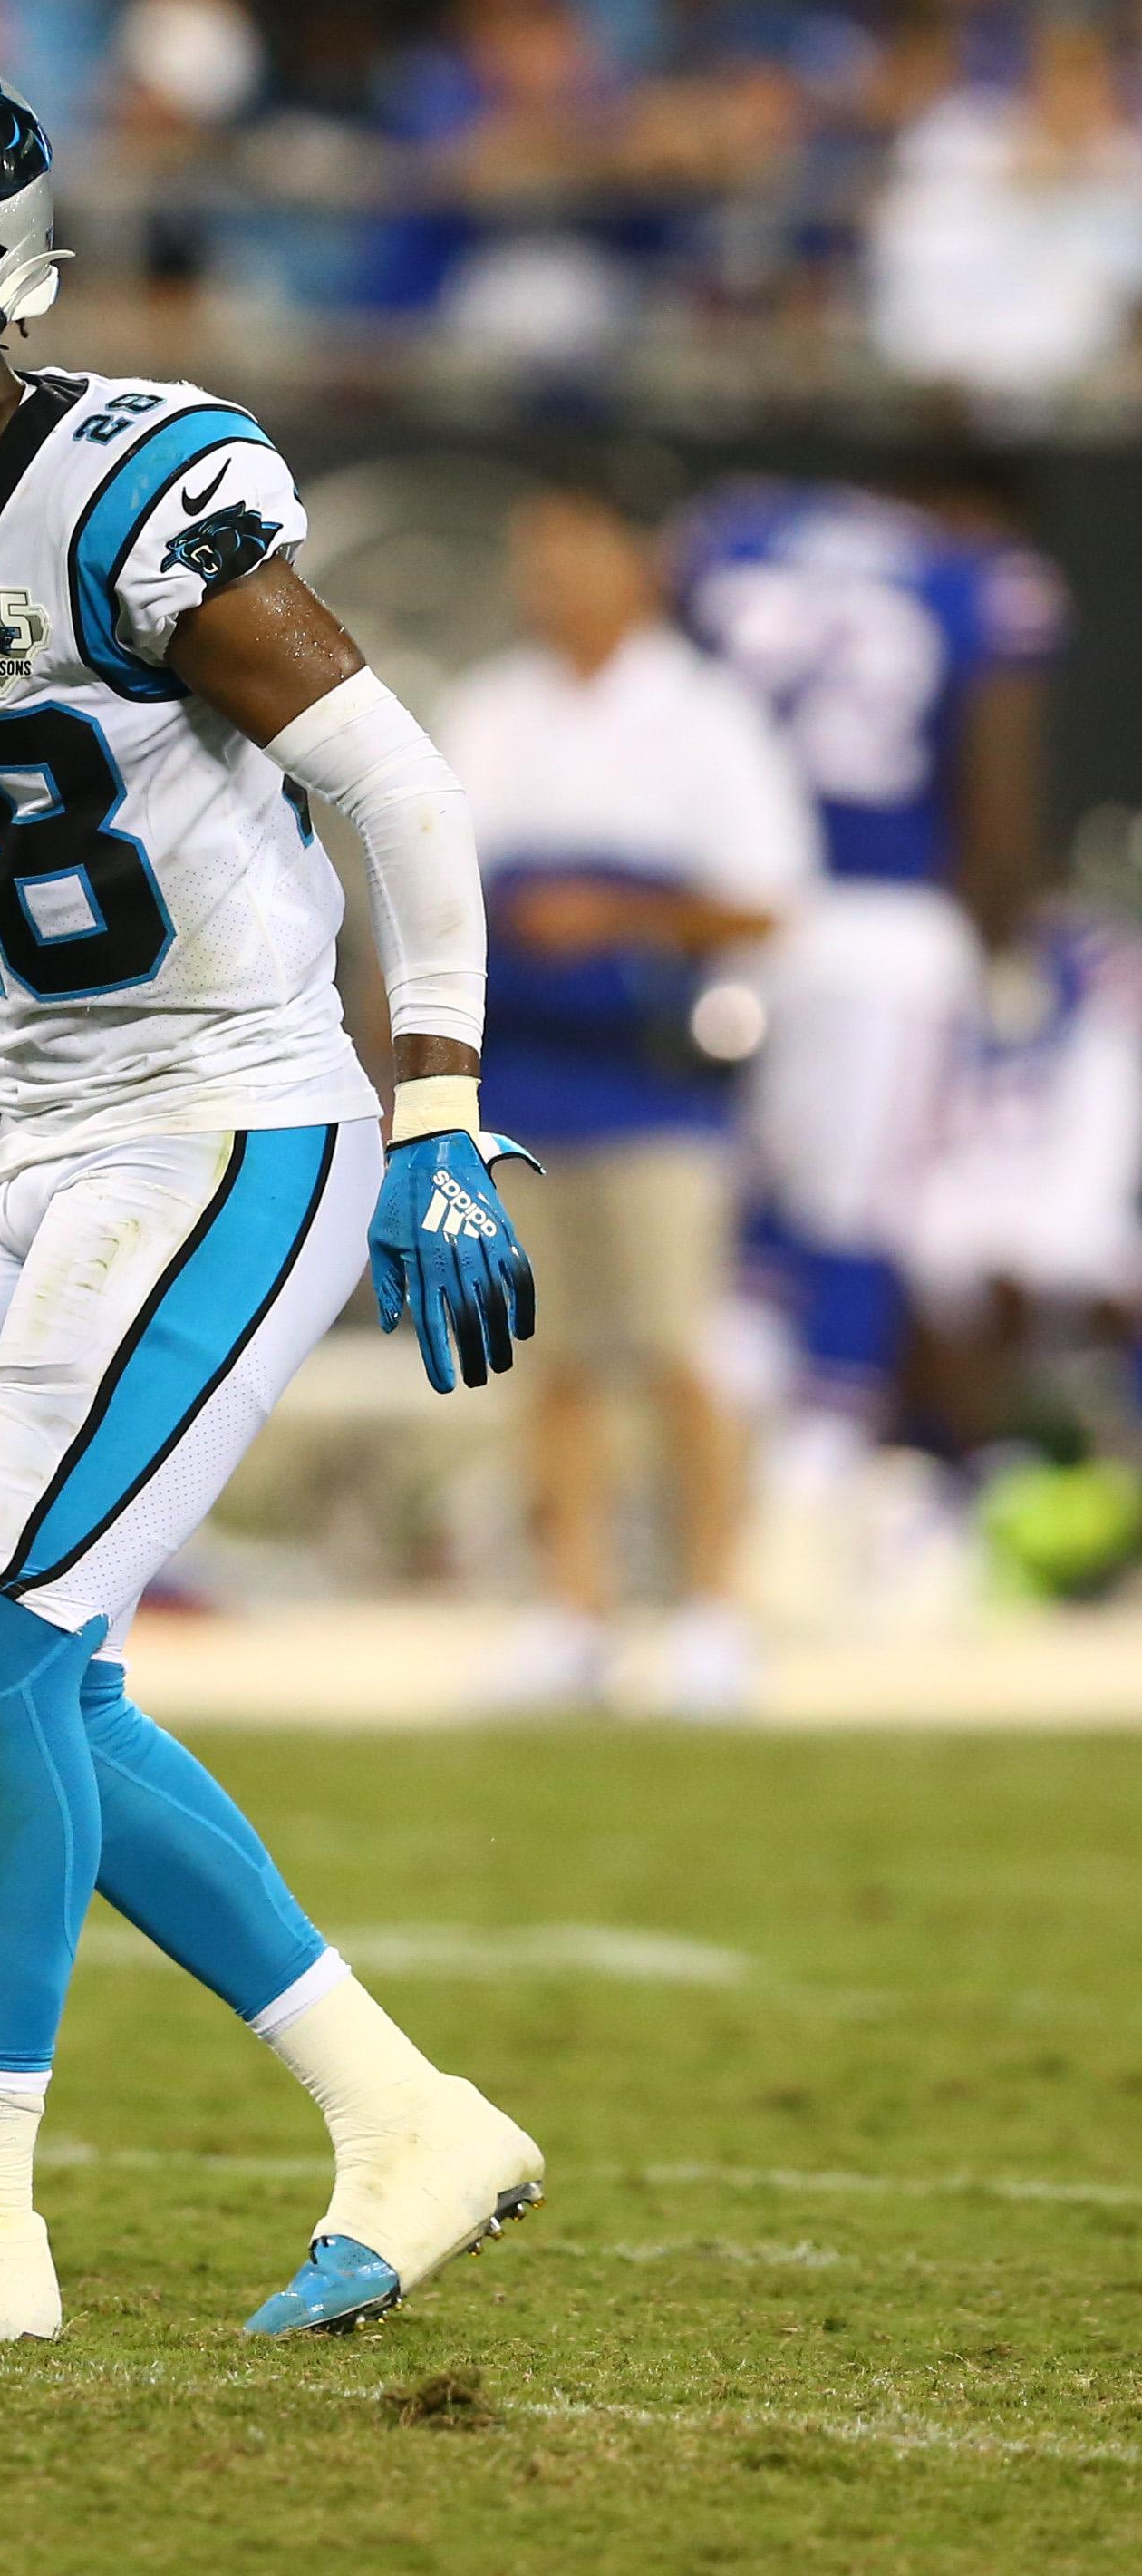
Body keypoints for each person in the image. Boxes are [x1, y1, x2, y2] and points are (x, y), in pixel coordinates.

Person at [0, 35, 541, 2348]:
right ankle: (408, 2116)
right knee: (49, 1671)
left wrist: (437, 1108)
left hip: (235, 1116)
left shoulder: (135, 489)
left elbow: (400, 790)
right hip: (49, 1134)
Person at [437, 482, 818, 1716]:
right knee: (548, 1358)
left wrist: (622, 914)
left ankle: (710, 1606)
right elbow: (434, 883)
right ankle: (574, 1608)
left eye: (571, 555)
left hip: (652, 1078)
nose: (547, 581)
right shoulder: (492, 708)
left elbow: (766, 898)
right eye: (533, 558)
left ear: (636, 564)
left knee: (670, 1347)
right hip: (527, 1074)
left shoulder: (703, 717)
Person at [672, 462, 1068, 1465]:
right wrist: (1006, 948)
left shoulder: (737, 533)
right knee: (857, 1220)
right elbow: (998, 793)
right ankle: (817, 1476)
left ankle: (718, 1469)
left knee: (746, 1222)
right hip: (887, 930)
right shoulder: (976, 576)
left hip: (732, 913)